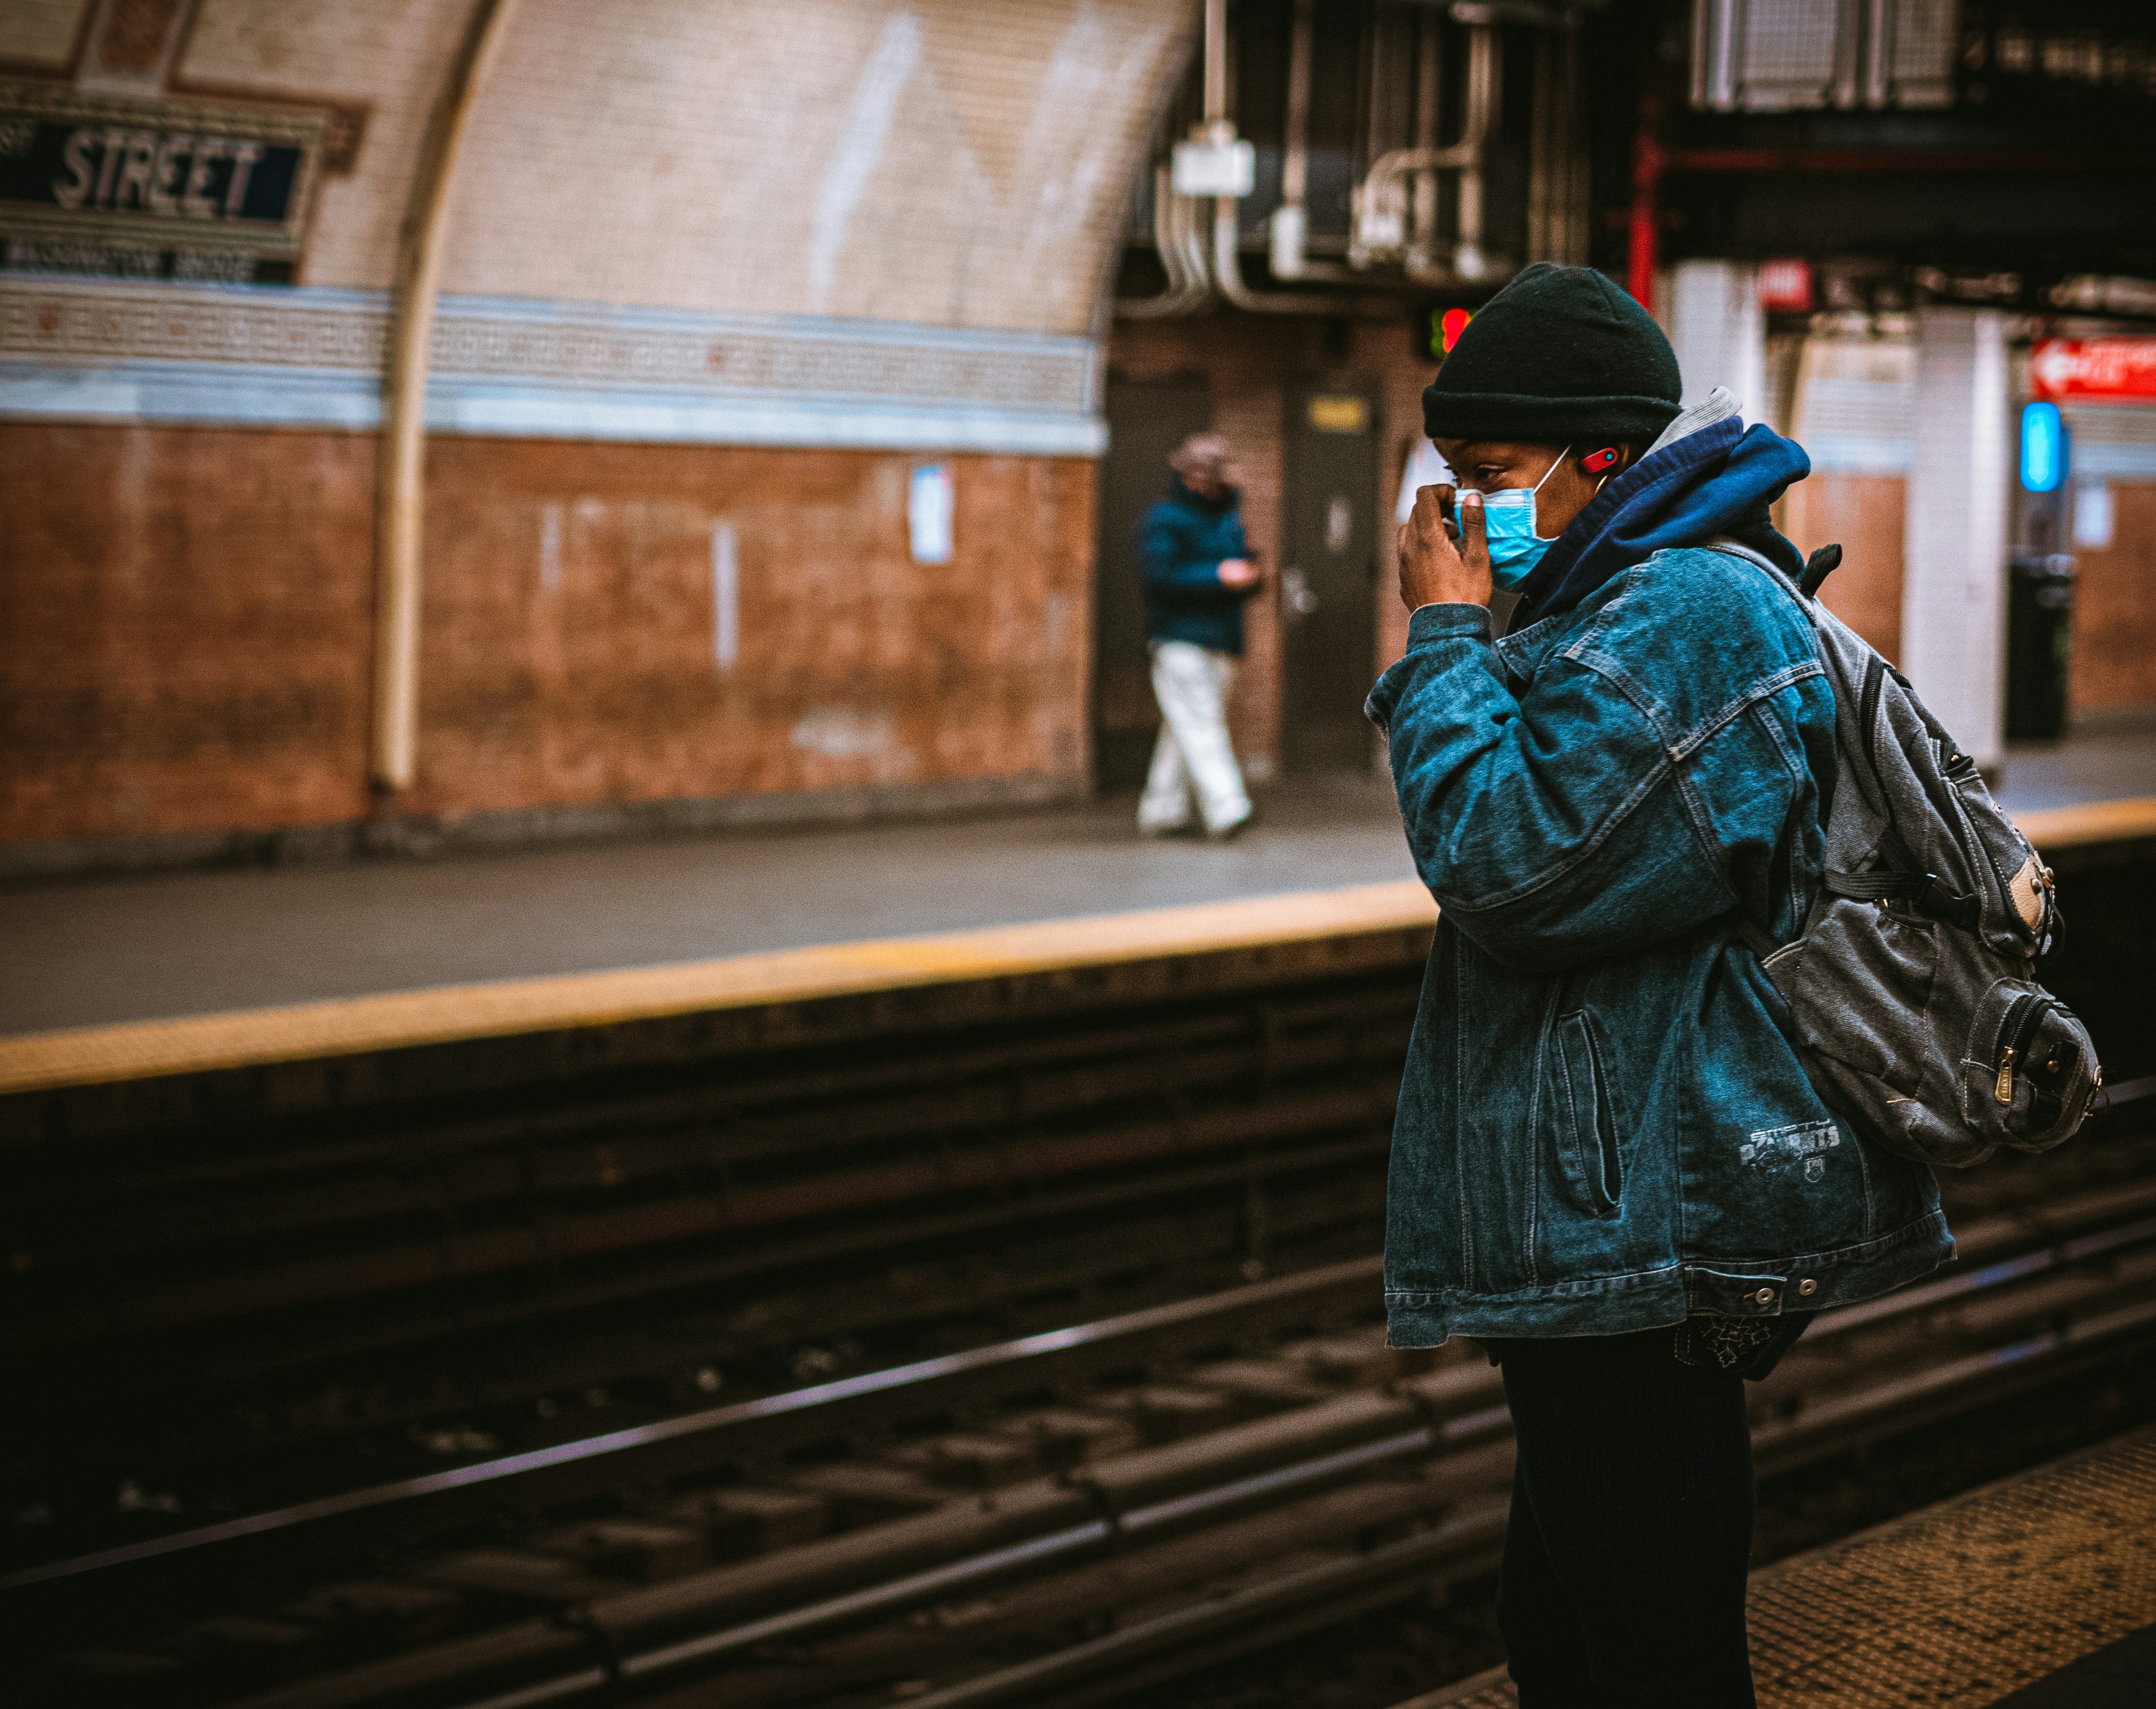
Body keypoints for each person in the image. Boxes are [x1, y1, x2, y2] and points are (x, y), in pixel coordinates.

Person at [1369, 264, 1952, 1707]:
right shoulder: (1614, 596)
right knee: (1573, 1620)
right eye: (1449, 478)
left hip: (1647, 1208)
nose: (1458, 516)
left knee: (1644, 1639)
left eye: (1490, 476)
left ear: (1602, 458)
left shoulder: (1688, 610)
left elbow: (1509, 867)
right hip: (1609, 1204)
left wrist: (1442, 636)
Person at [1135, 433, 1263, 839]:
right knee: (1201, 720)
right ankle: (1227, 806)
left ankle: (1161, 809)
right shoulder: (1164, 518)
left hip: (1221, 638)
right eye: (1200, 471)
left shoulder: (1228, 517)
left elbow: (1240, 567)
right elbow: (1158, 576)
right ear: (1184, 472)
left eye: (1213, 472)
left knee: (1185, 723)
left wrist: (1251, 576)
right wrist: (1217, 576)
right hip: (1177, 637)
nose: (1207, 479)